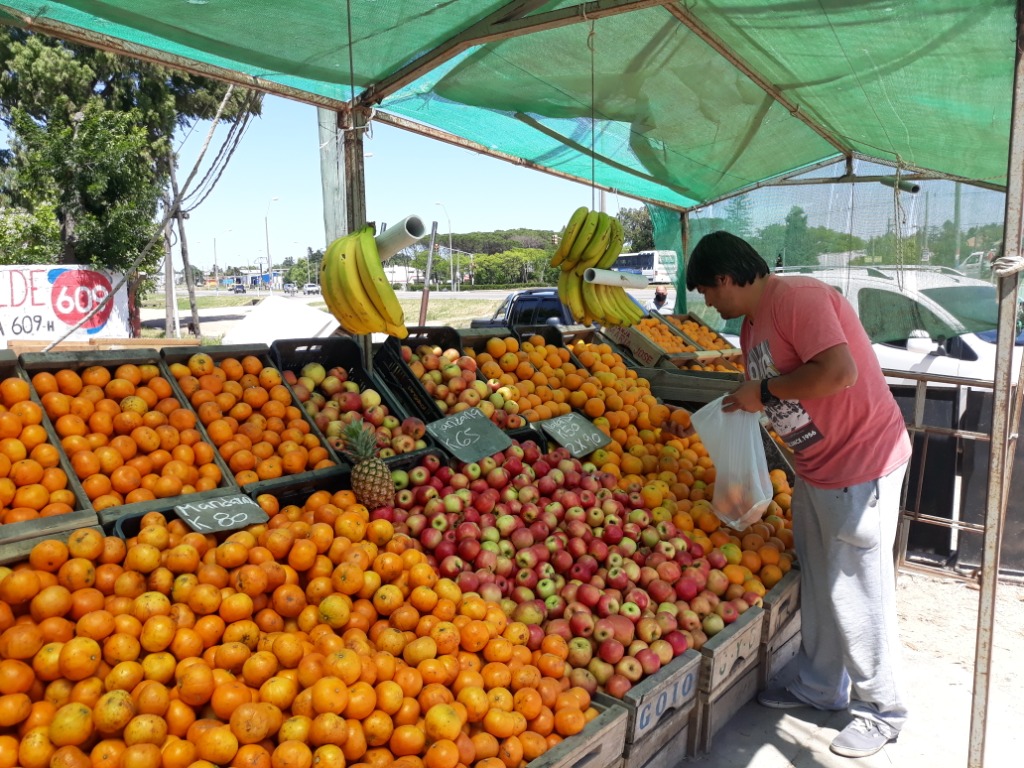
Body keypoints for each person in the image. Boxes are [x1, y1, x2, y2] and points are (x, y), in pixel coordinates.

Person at [686, 231, 912, 759]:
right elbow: (771, 390)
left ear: (726, 278)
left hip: (862, 463)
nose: (709, 304)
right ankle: (818, 685)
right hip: (815, 467)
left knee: (860, 589)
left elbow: (838, 373)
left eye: (708, 292)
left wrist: (761, 392)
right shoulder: (750, 328)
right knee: (822, 580)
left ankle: (882, 710)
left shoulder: (799, 298)